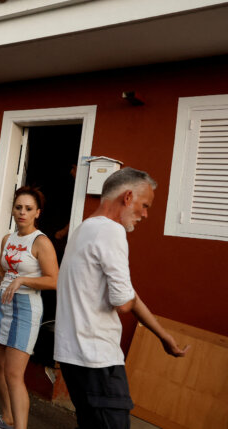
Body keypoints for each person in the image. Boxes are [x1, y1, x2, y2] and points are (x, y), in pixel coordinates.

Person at [54, 167, 189, 429]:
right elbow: (123, 302)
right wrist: (125, 295)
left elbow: (130, 295)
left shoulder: (84, 229)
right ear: (127, 197)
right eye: (145, 205)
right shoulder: (111, 232)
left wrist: (163, 336)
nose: (145, 214)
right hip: (98, 360)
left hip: (73, 358)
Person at [0, 187, 59, 429]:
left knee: (14, 374)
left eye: (28, 209)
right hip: (4, 306)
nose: (22, 212)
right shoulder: (8, 239)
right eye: (18, 207)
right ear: (13, 209)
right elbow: (3, 273)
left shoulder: (41, 242)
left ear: (37, 213)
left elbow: (54, 280)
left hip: (26, 310)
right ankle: (7, 418)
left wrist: (23, 280)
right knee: (0, 368)